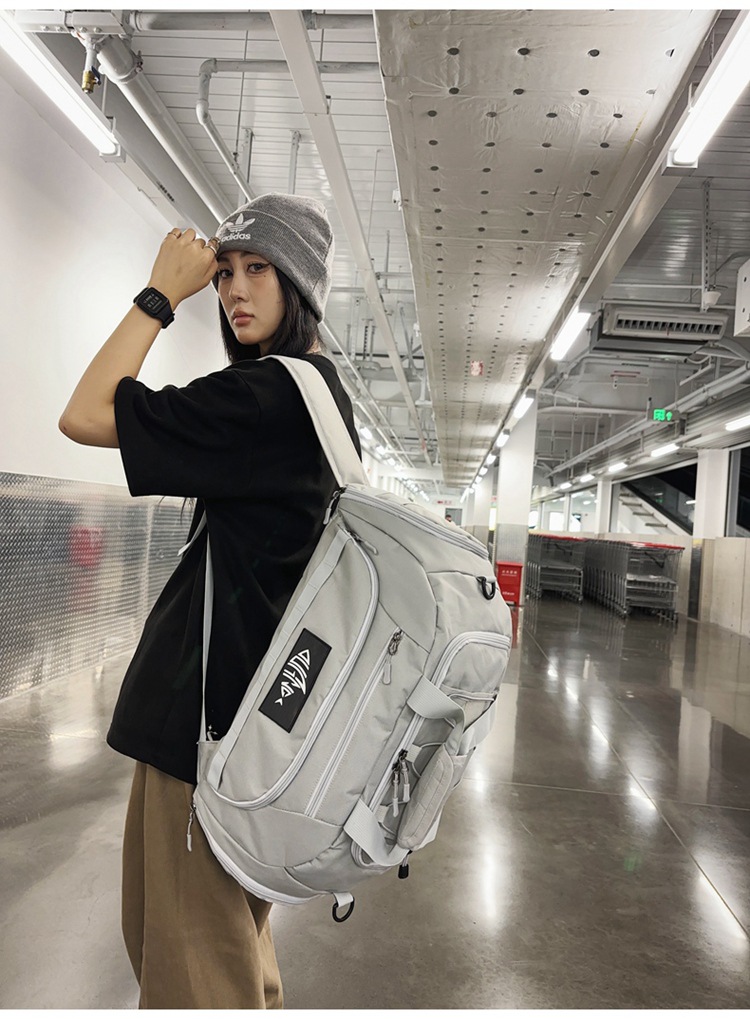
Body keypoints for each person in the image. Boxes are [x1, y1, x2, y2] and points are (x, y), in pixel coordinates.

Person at [59, 193, 360, 1009]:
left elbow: (84, 413)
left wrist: (160, 294)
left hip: (205, 736)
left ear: (300, 285)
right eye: (224, 272)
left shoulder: (265, 398)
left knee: (190, 973)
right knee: (231, 954)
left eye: (258, 268)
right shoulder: (323, 398)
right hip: (256, 733)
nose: (233, 289)